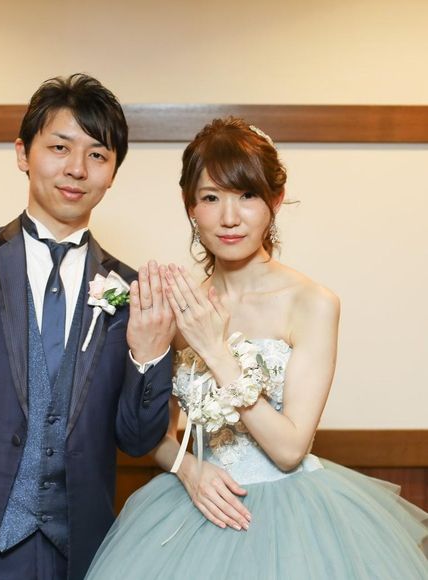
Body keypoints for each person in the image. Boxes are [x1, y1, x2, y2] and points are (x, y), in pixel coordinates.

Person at [85, 117, 428, 579]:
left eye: (247, 195)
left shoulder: (311, 303)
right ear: (191, 207)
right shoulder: (182, 305)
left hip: (292, 519)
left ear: (275, 201)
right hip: (197, 506)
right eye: (211, 198)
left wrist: (216, 352)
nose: (229, 217)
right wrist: (188, 469)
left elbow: (289, 448)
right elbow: (155, 435)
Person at [0, 73, 175, 580]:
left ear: (113, 173)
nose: (76, 168)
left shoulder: (132, 289)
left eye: (97, 155)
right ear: (23, 153)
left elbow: (136, 439)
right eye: (59, 147)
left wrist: (149, 355)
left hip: (81, 553)